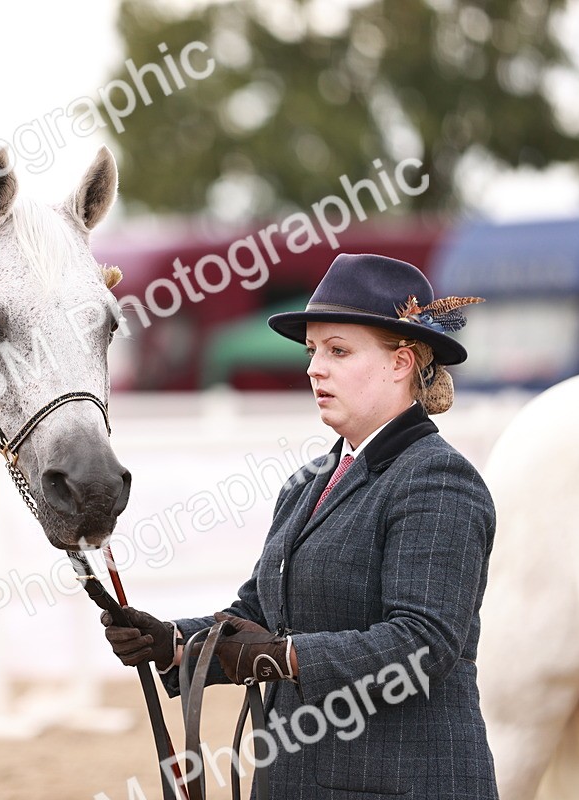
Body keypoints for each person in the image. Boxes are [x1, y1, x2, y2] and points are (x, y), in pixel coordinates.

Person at [102, 253, 498, 798]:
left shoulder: (439, 480)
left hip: (405, 782)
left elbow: (423, 644)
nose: (314, 368)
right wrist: (171, 643)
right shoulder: (306, 484)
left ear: (402, 362)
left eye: (338, 351)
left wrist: (283, 657)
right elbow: (260, 615)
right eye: (313, 351)